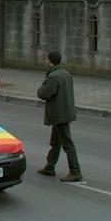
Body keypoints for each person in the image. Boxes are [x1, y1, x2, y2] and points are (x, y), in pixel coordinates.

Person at [36, 51, 83, 182]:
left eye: (46, 59)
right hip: (65, 112)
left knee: (67, 143)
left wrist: (41, 89)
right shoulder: (66, 74)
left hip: (59, 114)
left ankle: (75, 171)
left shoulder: (53, 77)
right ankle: (50, 166)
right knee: (56, 142)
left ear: (50, 60)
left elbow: (42, 93)